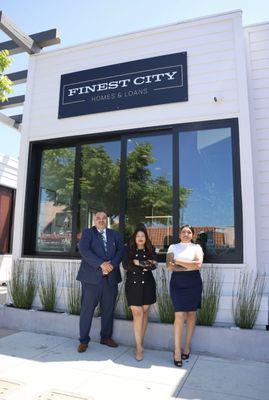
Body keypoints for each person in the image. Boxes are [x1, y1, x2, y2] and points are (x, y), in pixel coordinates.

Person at [76, 211, 124, 352]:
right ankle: (84, 340)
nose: (101, 220)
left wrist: (112, 265)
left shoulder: (114, 234)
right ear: (94, 220)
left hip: (110, 279)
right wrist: (101, 264)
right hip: (91, 280)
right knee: (87, 310)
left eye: (104, 218)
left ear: (107, 220)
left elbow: (120, 251)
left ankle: (106, 338)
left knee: (108, 310)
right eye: (98, 218)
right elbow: (84, 251)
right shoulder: (87, 233)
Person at [166, 225, 203, 367]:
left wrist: (178, 261)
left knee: (191, 314)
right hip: (177, 284)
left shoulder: (197, 248)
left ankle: (187, 347)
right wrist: (189, 264)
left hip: (193, 283)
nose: (186, 234)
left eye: (189, 232)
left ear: (192, 235)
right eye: (183, 232)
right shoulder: (173, 247)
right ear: (180, 234)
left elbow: (198, 265)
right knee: (179, 315)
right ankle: (177, 351)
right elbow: (169, 266)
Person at [122, 228, 157, 361]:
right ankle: (138, 347)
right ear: (134, 238)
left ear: (146, 238)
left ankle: (140, 342)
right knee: (137, 314)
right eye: (138, 236)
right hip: (133, 285)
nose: (140, 238)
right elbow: (126, 265)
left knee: (144, 312)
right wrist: (144, 264)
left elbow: (154, 265)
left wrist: (137, 262)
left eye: (143, 236)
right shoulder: (128, 250)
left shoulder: (151, 249)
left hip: (148, 285)